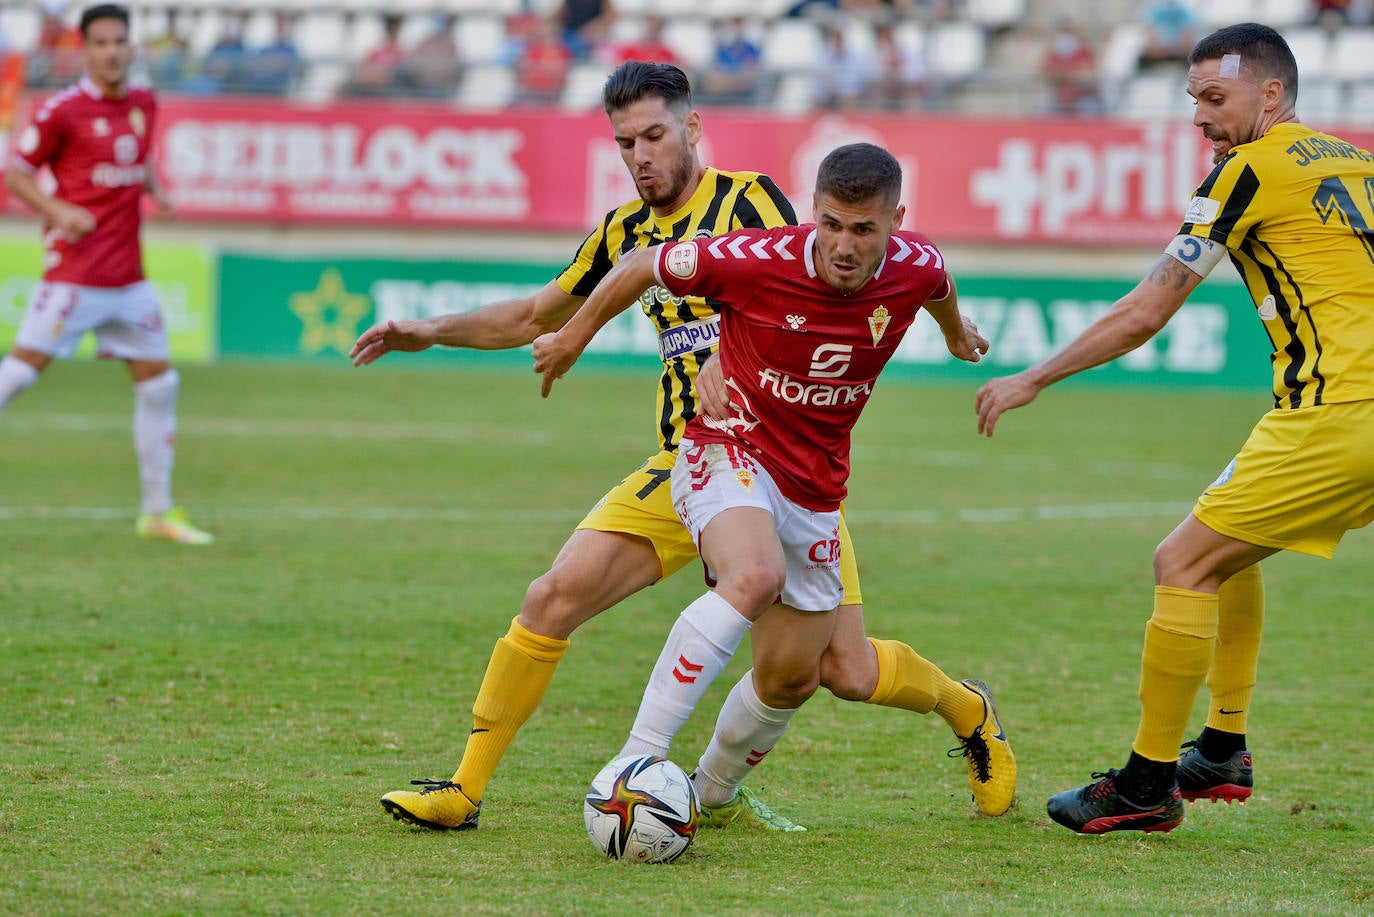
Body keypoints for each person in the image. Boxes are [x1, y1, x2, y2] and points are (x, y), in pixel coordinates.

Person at [351, 62, 1015, 832]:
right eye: (625, 142)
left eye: (655, 135)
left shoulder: (752, 202)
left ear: (693, 128)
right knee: (551, 596)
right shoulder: (622, 232)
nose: (640, 155)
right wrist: (427, 332)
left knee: (840, 669)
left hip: (792, 468)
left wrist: (718, 361)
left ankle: (966, 708)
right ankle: (464, 790)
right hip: (695, 459)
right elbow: (535, 314)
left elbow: (774, 291)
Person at [975, 22, 1374, 834]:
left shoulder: (1244, 170)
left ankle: (1147, 784)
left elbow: (1147, 309)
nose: (1200, 118)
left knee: (1182, 561)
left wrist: (1033, 376)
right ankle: (1223, 744)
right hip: (1345, 411)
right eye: (1194, 99)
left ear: (1271, 94)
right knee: (1227, 545)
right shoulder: (1351, 159)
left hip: (1340, 411)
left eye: (1215, 98)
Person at [532, 143, 996, 819]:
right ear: (813, 210)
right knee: (752, 578)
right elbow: (639, 264)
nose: (843, 244)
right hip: (726, 447)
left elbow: (940, 283)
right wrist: (574, 337)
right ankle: (637, 761)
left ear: (897, 219)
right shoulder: (756, 257)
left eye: (863, 229)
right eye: (831, 223)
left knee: (795, 675)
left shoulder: (914, 265)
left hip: (813, 488)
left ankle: (710, 792)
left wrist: (957, 334)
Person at [0, 3, 212, 546]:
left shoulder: (144, 102)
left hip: (129, 281)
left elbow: (136, 161)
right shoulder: (62, 110)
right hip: (74, 276)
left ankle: (157, 513)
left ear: (131, 46)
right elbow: (17, 173)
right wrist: (58, 210)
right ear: (84, 49)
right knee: (19, 375)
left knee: (161, 384)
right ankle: (158, 511)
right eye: (100, 43)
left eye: (120, 41)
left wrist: (157, 191)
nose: (112, 51)